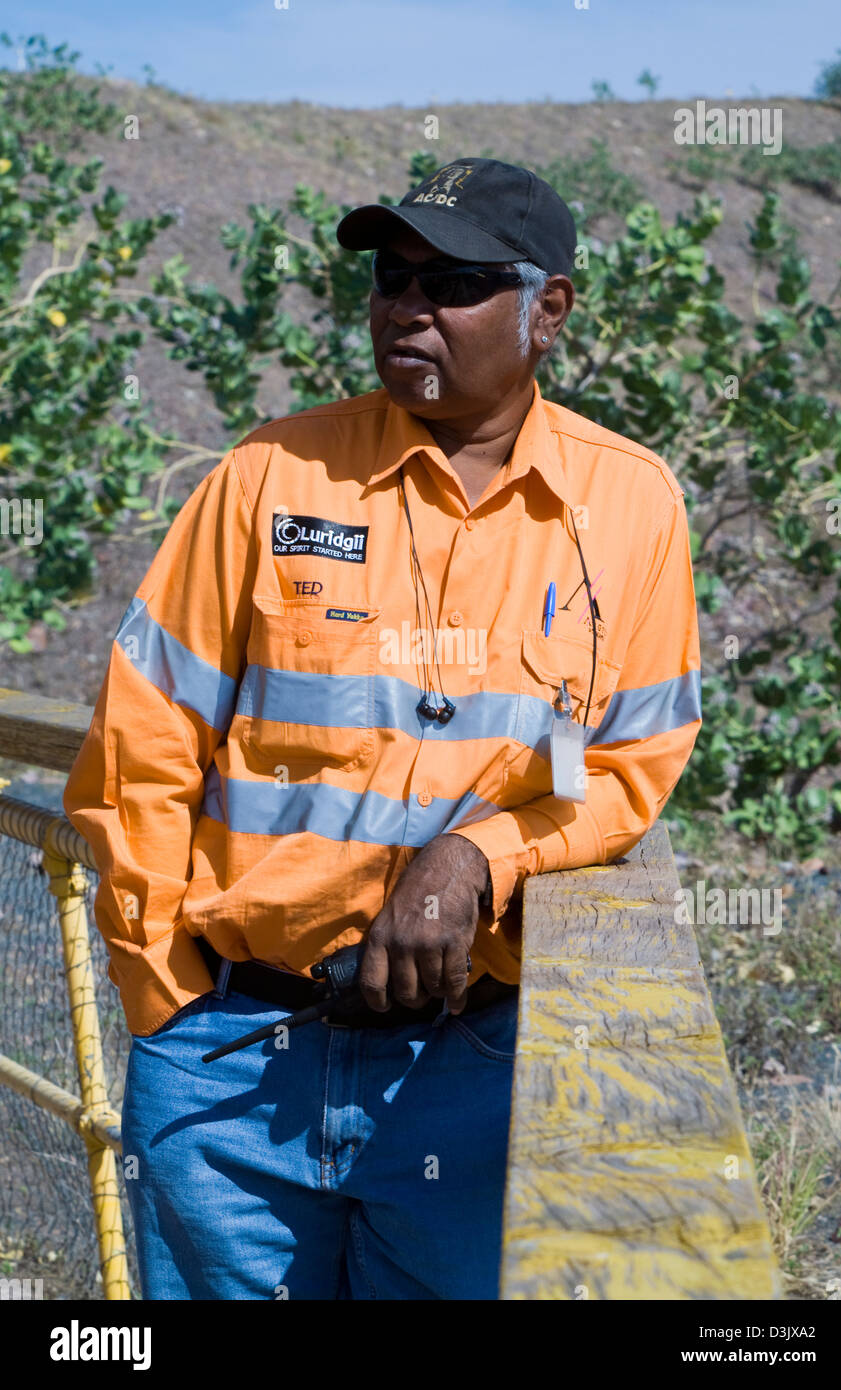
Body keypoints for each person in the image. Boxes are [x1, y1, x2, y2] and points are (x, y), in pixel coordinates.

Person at [62, 157, 702, 1300]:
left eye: (450, 284)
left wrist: (477, 855)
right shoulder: (269, 475)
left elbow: (627, 768)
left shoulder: (628, 505)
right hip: (233, 1064)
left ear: (546, 309)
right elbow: (141, 742)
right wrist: (161, 990)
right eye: (389, 278)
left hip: (471, 1072)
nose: (407, 307)